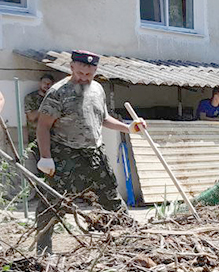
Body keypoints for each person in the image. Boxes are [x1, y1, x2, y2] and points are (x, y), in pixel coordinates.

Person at [35, 50, 145, 255]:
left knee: (111, 197)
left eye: (89, 74)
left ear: (95, 71)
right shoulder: (58, 92)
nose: (84, 78)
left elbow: (102, 118)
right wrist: (46, 157)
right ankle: (43, 251)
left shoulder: (97, 89)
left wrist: (128, 128)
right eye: (80, 73)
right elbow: (43, 126)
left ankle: (130, 242)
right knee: (52, 202)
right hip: (65, 154)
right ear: (71, 68)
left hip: (94, 153)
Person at [24, 73, 55, 164]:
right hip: (36, 137)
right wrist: (44, 107)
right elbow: (31, 117)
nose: (47, 85)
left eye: (49, 83)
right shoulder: (31, 98)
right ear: (40, 83)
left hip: (54, 137)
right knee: (42, 164)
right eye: (44, 82)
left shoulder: (55, 98)